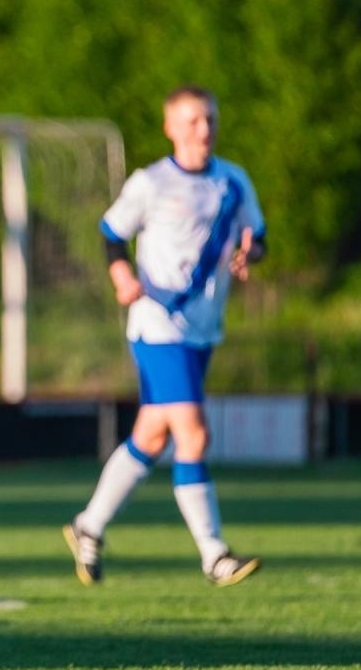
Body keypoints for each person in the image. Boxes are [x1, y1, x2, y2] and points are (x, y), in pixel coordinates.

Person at [64, 85, 265, 588]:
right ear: (170, 128)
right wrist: (122, 277)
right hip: (156, 325)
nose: (205, 129)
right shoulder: (151, 183)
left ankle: (88, 525)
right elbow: (111, 233)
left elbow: (256, 237)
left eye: (210, 120)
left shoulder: (234, 182)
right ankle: (214, 554)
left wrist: (249, 255)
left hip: (202, 330)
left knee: (152, 436)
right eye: (194, 121)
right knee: (192, 433)